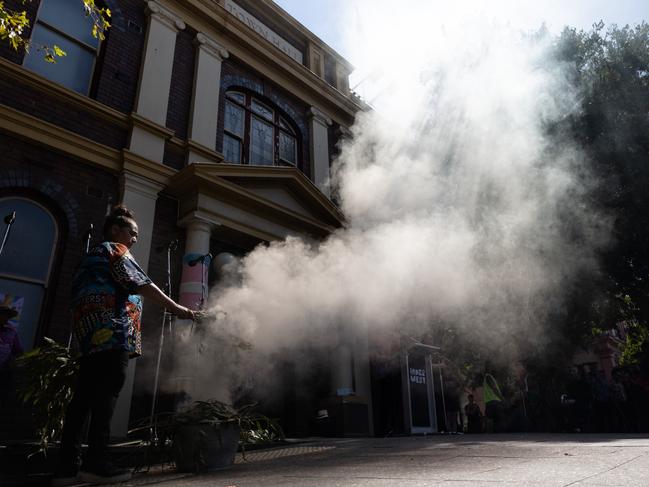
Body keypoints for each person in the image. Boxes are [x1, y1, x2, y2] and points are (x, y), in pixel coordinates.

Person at [53, 206, 196, 486]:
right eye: (132, 232)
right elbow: (141, 283)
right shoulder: (115, 249)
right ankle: (96, 463)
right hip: (110, 333)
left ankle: (66, 469)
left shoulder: (89, 257)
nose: (134, 239)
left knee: (81, 400)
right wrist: (179, 309)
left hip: (88, 338)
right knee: (106, 396)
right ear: (116, 230)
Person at [0, 305, 23, 404]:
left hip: (3, 371)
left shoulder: (11, 331)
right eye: (2, 314)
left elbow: (17, 350)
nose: (4, 317)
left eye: (6, 315)